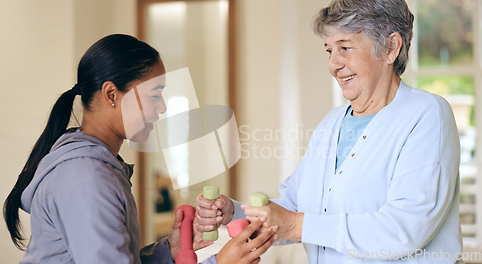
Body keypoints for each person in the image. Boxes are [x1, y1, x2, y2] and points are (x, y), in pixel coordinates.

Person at [195, 0, 463, 263]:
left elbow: (404, 229)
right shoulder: (332, 123)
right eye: (329, 50)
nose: (333, 65)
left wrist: (295, 225)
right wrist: (235, 213)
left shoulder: (426, 114)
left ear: (391, 47)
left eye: (345, 48)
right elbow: (295, 207)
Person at [3, 34, 277, 264]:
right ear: (111, 95)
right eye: (154, 94)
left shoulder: (95, 167)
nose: (162, 108)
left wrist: (170, 249)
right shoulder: (86, 177)